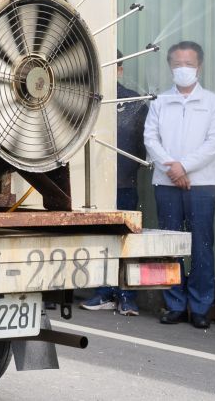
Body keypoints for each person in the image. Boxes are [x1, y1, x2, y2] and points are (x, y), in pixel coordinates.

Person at [143, 40, 215, 330]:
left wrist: (184, 167)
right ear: (170, 67)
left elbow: (213, 144)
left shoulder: (214, 103)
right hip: (166, 183)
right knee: (169, 244)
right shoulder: (160, 102)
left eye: (189, 64)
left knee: (202, 245)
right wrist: (172, 168)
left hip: (202, 185)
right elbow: (150, 139)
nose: (183, 69)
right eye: (177, 64)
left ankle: (200, 306)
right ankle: (174, 304)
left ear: (199, 66)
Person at [82, 50, 150, 316]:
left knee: (125, 240)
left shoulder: (134, 101)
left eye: (113, 66)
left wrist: (126, 173)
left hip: (123, 184)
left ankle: (127, 296)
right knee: (99, 240)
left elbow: (141, 145)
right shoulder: (85, 98)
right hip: (93, 187)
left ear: (120, 69)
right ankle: (103, 292)